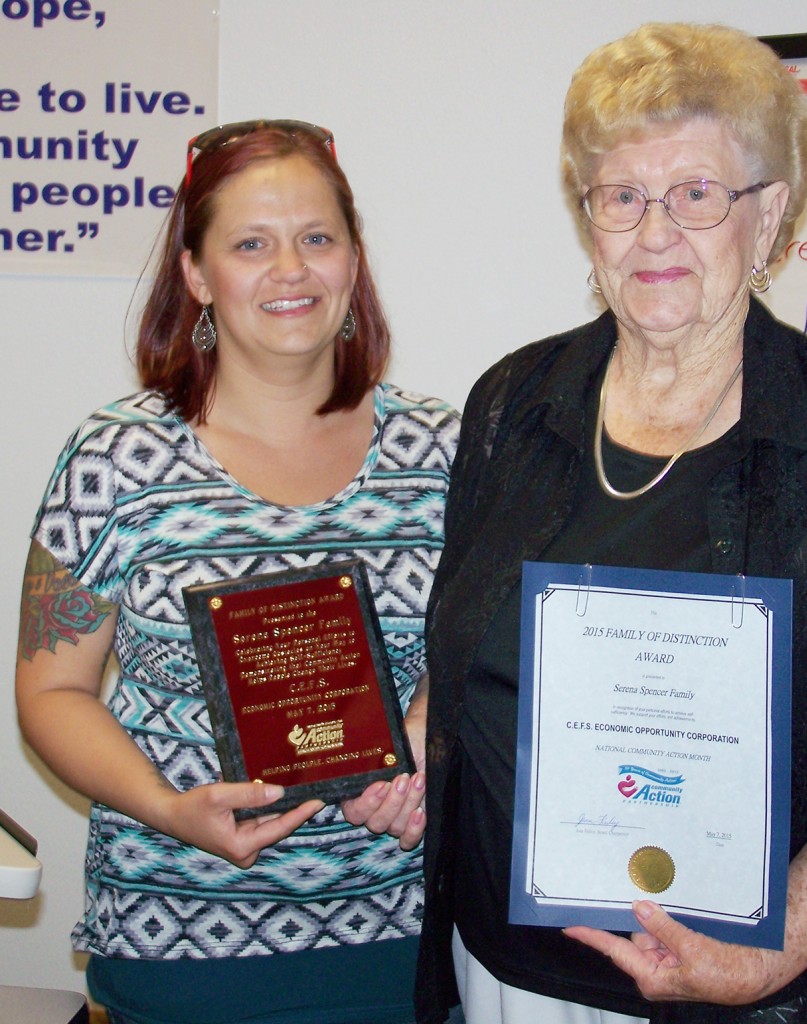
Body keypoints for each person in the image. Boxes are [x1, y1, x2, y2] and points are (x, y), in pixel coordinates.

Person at [413, 23, 807, 1024]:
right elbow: (472, 644)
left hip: (758, 992)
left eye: (698, 195)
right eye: (622, 196)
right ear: (588, 217)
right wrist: (429, 734)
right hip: (507, 975)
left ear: (769, 218)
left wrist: (776, 946)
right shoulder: (512, 404)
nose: (655, 232)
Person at [15, 120, 459, 1024]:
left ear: (353, 259)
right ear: (195, 273)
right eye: (251, 244)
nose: (290, 270)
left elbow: (490, 656)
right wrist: (170, 808)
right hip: (180, 938)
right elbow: (50, 692)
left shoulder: (448, 451)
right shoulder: (115, 458)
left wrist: (430, 729)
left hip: (406, 935)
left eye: (317, 238)